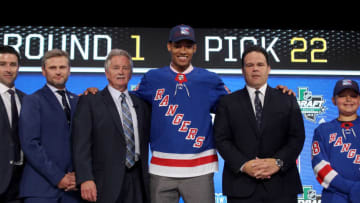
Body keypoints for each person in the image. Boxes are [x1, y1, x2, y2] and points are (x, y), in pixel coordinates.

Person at [213, 45, 305, 203]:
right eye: (250, 65)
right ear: (243, 70)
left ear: (268, 68)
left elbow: (297, 137)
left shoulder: (287, 98)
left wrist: (278, 162)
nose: (255, 69)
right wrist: (244, 165)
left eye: (260, 65)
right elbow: (221, 139)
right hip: (241, 186)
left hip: (282, 185)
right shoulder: (227, 102)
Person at [72, 49, 151, 203]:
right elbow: (80, 144)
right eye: (116, 68)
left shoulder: (141, 104)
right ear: (107, 73)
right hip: (104, 183)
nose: (121, 72)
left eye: (125, 68)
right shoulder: (90, 101)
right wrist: (85, 178)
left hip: (137, 182)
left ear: (131, 73)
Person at [18, 49, 81, 203]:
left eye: (62, 67)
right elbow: (30, 144)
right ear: (44, 72)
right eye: (53, 68)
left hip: (73, 191)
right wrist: (58, 177)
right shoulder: (32, 100)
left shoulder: (79, 102)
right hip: (41, 189)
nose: (58, 72)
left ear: (69, 70)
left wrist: (78, 176)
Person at [311, 79, 360, 203]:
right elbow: (319, 165)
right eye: (342, 96)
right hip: (334, 196)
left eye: (353, 96)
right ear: (334, 100)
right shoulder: (323, 130)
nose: (348, 100)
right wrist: (352, 188)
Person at [0, 45, 25, 203]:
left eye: (13, 64)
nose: (8, 69)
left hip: (21, 185)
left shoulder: (27, 100)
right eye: (2, 64)